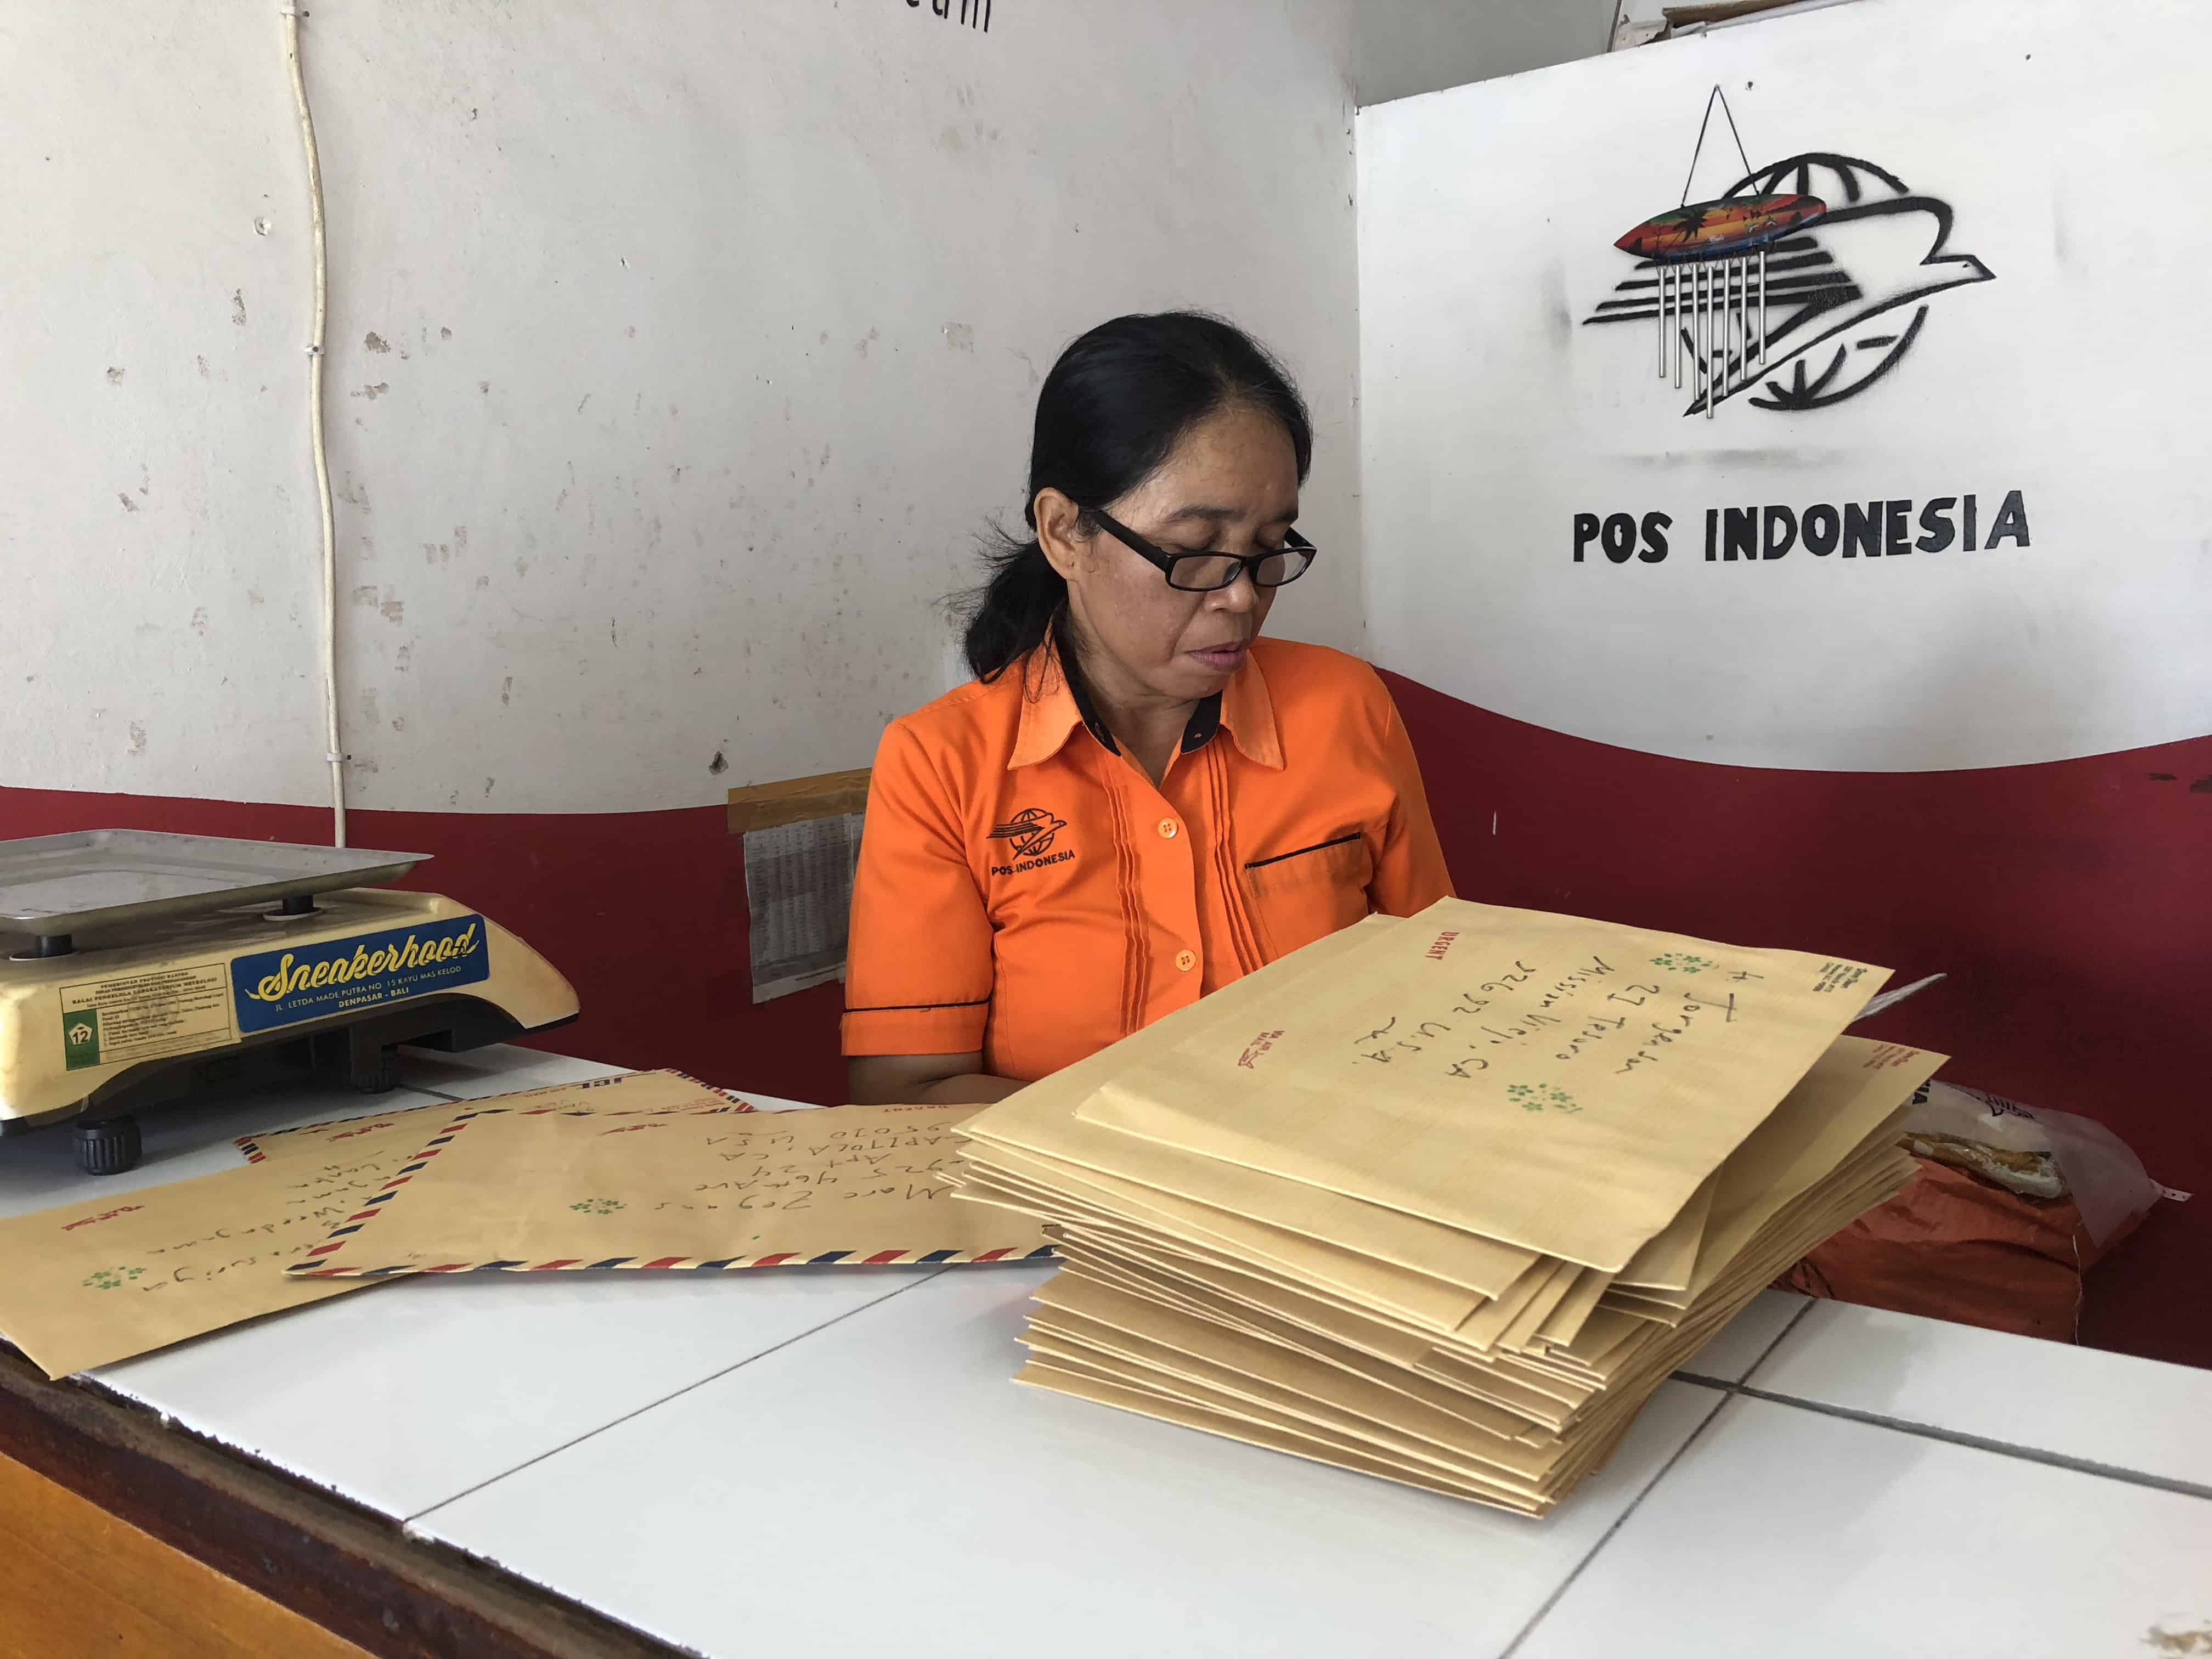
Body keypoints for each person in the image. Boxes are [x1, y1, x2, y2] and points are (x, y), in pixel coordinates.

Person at [843, 312, 1453, 1105]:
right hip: (1067, 1186)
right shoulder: (943, 765)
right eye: (1194, 551)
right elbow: (904, 1090)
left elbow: (1440, 980)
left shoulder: (1345, 707)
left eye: (1269, 548)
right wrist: (1155, 1146)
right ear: (1065, 533)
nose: (1242, 597)